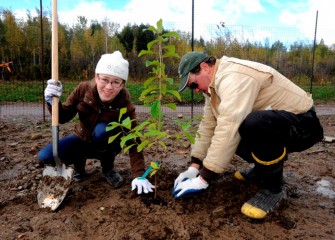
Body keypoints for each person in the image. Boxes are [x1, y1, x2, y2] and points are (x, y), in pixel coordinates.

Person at [173, 51, 324, 219]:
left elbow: (229, 125)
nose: (195, 90)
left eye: (193, 84)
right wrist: (194, 167)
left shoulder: (233, 77)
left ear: (205, 67)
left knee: (253, 123)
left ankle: (273, 189)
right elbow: (209, 125)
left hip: (303, 125)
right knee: (240, 127)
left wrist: (204, 178)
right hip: (276, 123)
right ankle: (262, 171)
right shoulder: (212, 89)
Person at [38, 51, 154, 194]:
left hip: (107, 144)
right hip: (81, 138)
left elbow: (134, 140)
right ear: (96, 77)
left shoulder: (125, 104)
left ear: (122, 84)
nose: (109, 87)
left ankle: (108, 169)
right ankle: (79, 168)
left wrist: (138, 175)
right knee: (45, 157)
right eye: (104, 79)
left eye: (116, 82)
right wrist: (52, 102)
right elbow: (63, 117)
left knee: (102, 131)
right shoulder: (83, 90)